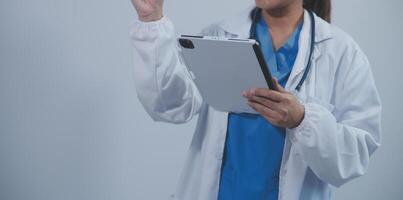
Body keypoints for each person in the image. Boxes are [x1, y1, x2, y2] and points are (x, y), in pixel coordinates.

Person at [129, 0, 382, 199]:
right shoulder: (219, 35)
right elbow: (171, 105)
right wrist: (151, 22)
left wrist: (303, 120)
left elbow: (354, 157)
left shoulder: (342, 53)